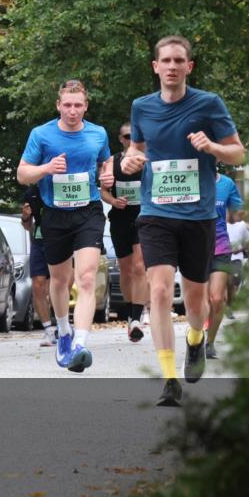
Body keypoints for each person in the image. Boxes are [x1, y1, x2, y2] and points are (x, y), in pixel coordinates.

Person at [122, 36, 245, 406]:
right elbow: (137, 149)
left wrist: (212, 147)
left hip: (199, 217)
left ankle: (195, 338)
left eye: (179, 60)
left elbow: (238, 152)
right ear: (155, 67)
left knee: (196, 302)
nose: (172, 66)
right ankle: (169, 378)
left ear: (188, 67)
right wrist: (130, 161)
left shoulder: (208, 104)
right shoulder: (141, 107)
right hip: (157, 213)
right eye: (166, 61)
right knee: (158, 290)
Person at [17, 79, 113, 373]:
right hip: (55, 215)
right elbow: (22, 174)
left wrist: (107, 175)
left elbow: (105, 161)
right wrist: (46, 169)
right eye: (67, 105)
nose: (73, 111)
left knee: (85, 278)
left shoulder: (98, 133)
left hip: (89, 212)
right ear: (59, 105)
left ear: (86, 106)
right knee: (60, 281)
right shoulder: (42, 135)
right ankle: (63, 332)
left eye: (78, 105)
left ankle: (81, 343)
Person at [101, 122, 148, 343]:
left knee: (140, 266)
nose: (131, 140)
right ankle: (131, 315)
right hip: (120, 219)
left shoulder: (148, 161)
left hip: (144, 219)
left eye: (135, 137)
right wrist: (113, 201)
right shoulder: (112, 162)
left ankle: (137, 317)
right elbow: (103, 191)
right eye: (127, 137)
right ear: (121, 139)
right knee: (126, 270)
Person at [205, 171, 243, 358]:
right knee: (200, 301)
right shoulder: (190, 177)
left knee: (217, 299)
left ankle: (209, 343)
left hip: (220, 245)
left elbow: (238, 211)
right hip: (195, 248)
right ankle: (196, 337)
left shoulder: (226, 183)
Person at [20, 184, 54, 346]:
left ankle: (62, 326)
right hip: (39, 242)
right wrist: (25, 217)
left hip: (61, 240)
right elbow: (27, 226)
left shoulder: (60, 185)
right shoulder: (31, 193)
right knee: (38, 286)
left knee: (60, 285)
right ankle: (48, 331)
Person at [225, 209, 249, 315]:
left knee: (234, 282)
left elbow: (247, 243)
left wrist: (240, 250)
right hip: (223, 257)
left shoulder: (243, 225)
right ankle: (226, 305)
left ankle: (230, 307)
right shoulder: (222, 225)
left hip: (237, 258)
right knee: (225, 283)